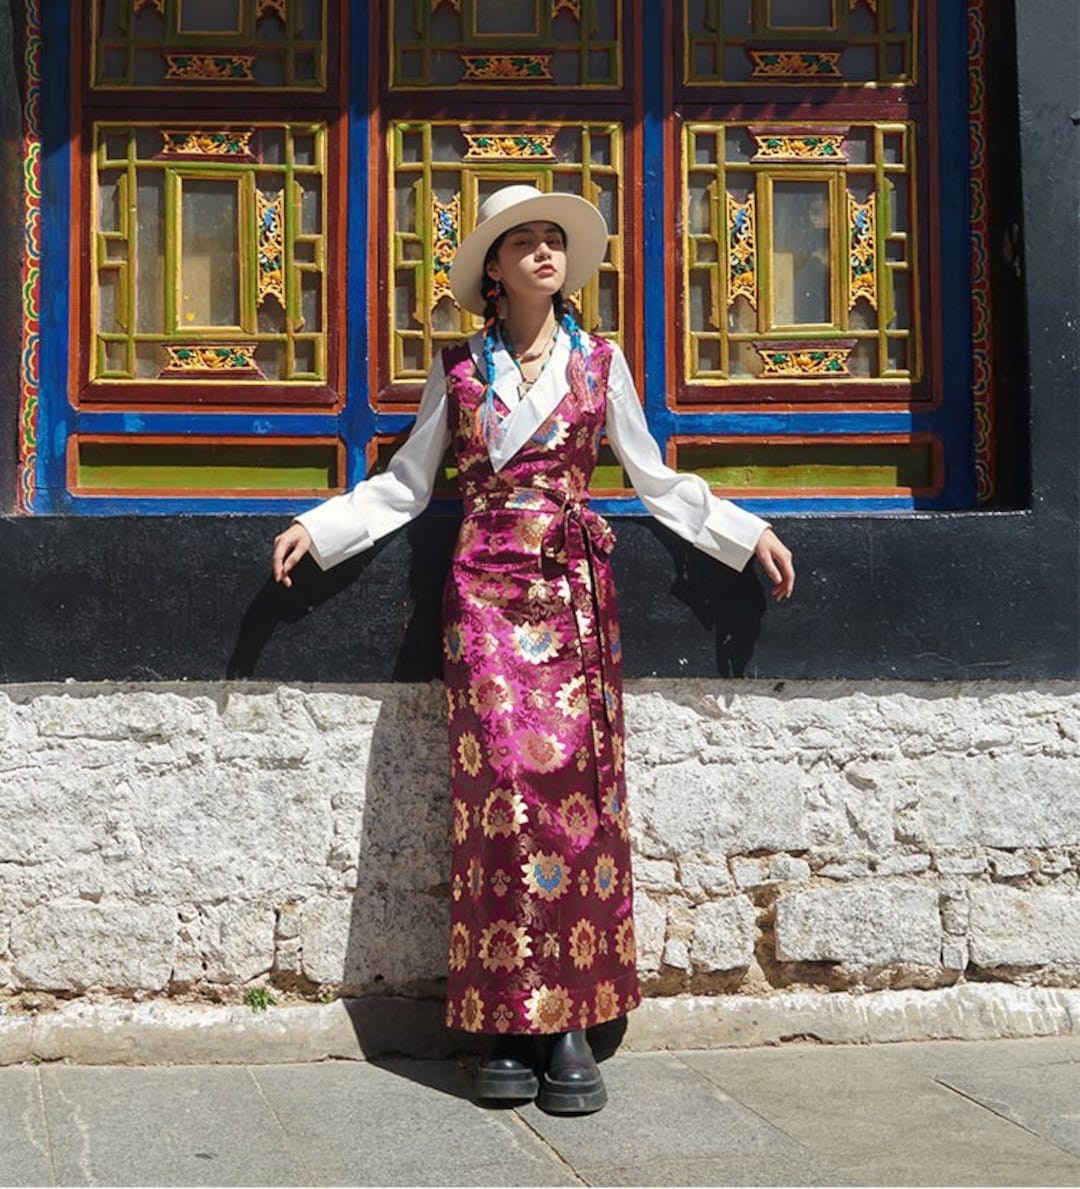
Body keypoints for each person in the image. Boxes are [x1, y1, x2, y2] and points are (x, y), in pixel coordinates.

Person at [272, 184, 794, 1115]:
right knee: (502, 804)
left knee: (574, 807)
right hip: (482, 594)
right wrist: (321, 526)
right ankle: (506, 1020)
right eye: (528, 242)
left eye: (558, 240)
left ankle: (571, 1022)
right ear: (496, 269)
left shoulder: (603, 363)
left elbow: (654, 477)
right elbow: (403, 484)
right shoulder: (461, 372)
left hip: (572, 600)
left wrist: (742, 532)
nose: (548, 253)